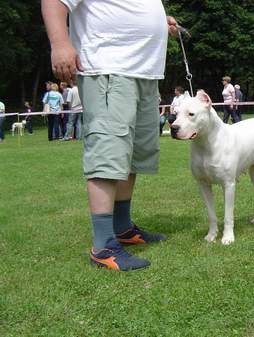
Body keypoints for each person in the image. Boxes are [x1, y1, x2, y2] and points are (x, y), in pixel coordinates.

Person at [42, 0, 177, 270]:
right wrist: (60, 44)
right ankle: (103, 246)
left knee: (133, 154)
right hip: (108, 68)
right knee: (109, 150)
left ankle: (123, 228)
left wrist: (159, 22)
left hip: (144, 71)